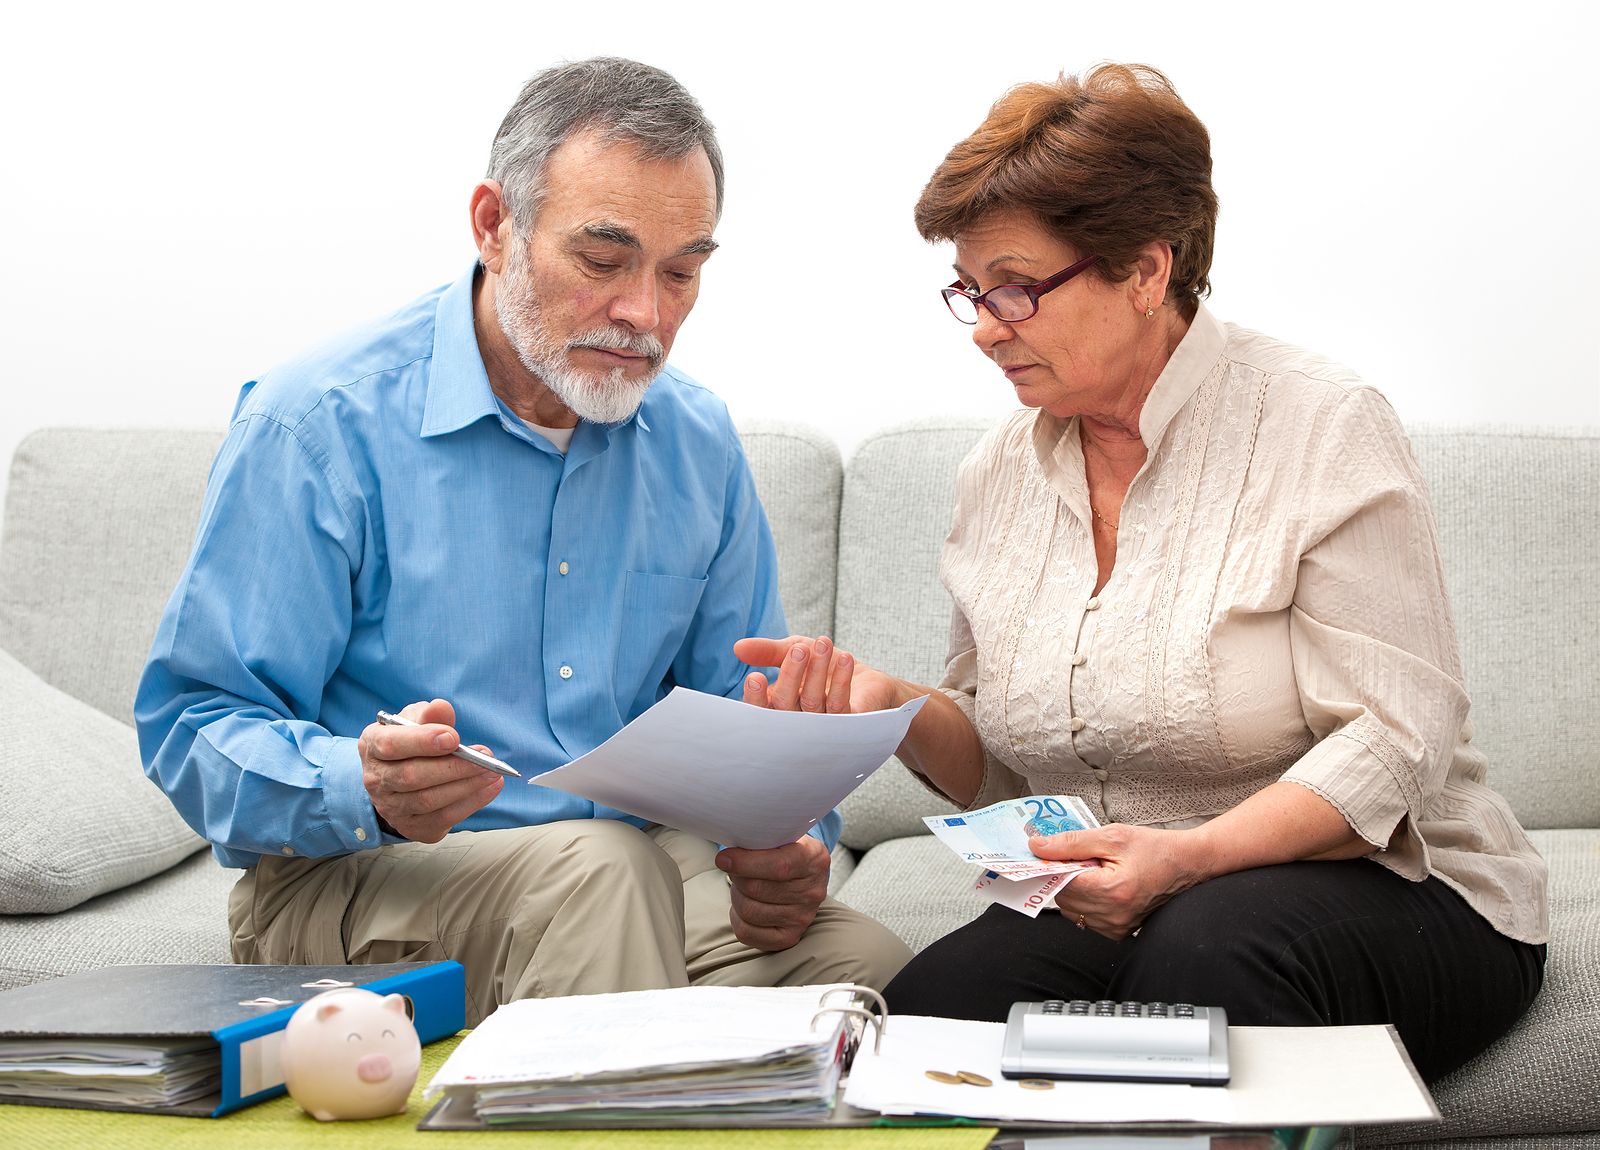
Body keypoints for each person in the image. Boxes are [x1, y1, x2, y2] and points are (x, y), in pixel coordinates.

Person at [735, 63, 1546, 1081]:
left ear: (1145, 270)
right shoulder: (998, 473)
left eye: (1018, 287)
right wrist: (892, 704)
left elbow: (1392, 746)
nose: (987, 325)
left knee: (1207, 960)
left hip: (1396, 886)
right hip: (1131, 895)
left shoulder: (1320, 424)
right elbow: (1006, 767)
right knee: (930, 1020)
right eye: (970, 292)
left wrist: (1188, 857)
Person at [135, 57, 910, 1025]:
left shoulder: (695, 440)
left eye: (681, 272)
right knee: (604, 875)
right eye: (602, 260)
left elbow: (740, 727)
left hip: (620, 879)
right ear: (494, 225)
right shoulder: (318, 424)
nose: (647, 315)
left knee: (873, 969)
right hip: (363, 877)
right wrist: (361, 784)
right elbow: (188, 724)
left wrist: (789, 848)